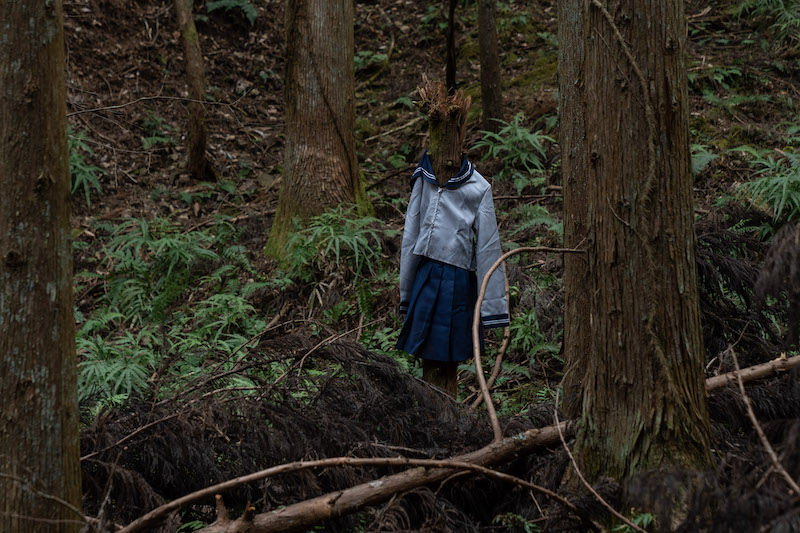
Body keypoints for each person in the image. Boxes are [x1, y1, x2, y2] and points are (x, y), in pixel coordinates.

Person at [395, 149, 509, 367]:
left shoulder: (479, 187)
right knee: (429, 358)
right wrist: (407, 290)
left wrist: (492, 308)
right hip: (426, 273)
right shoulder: (423, 177)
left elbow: (488, 247)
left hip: (458, 280)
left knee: (448, 359)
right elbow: (411, 232)